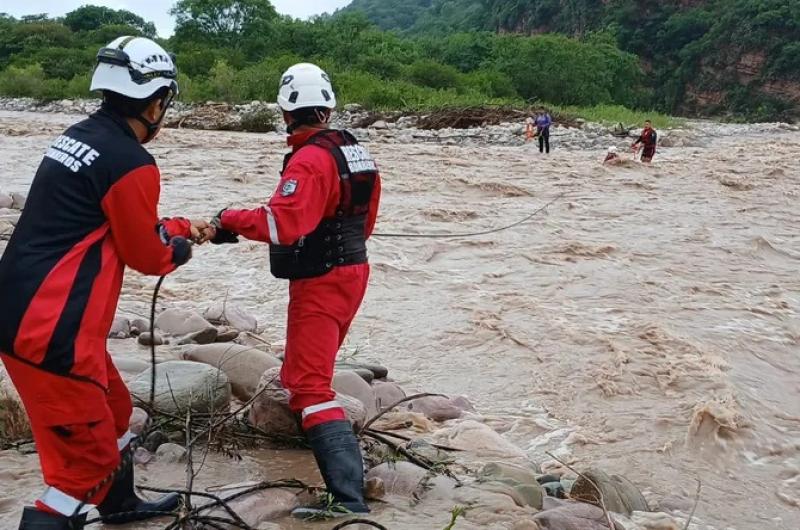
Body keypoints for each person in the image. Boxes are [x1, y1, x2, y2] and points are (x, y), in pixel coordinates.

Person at [0, 36, 209, 529]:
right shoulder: (132, 161)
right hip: (52, 328)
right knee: (82, 470)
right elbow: (147, 255)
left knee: (114, 411)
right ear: (158, 101)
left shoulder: (79, 137)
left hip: (25, 307)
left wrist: (177, 226)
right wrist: (178, 247)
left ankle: (120, 506)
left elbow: (108, 224)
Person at [206, 63, 381, 519]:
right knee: (303, 373)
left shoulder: (309, 160)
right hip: (352, 271)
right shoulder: (354, 151)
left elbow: (281, 222)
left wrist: (228, 217)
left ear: (286, 111)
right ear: (327, 107)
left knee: (308, 387)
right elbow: (367, 221)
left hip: (322, 279)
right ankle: (327, 462)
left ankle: (348, 504)